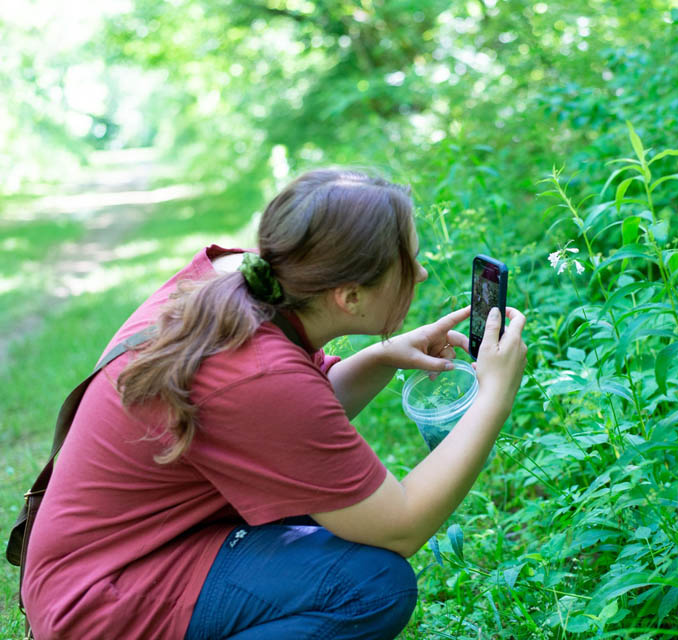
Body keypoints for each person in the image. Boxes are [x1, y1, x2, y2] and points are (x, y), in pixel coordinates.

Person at [21, 168, 528, 639]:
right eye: (407, 264)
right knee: (370, 586)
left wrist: (382, 358)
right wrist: (494, 400)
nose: (418, 274)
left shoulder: (238, 279)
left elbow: (272, 424)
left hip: (114, 554)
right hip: (96, 602)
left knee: (332, 534)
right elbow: (402, 526)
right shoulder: (258, 372)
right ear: (350, 297)